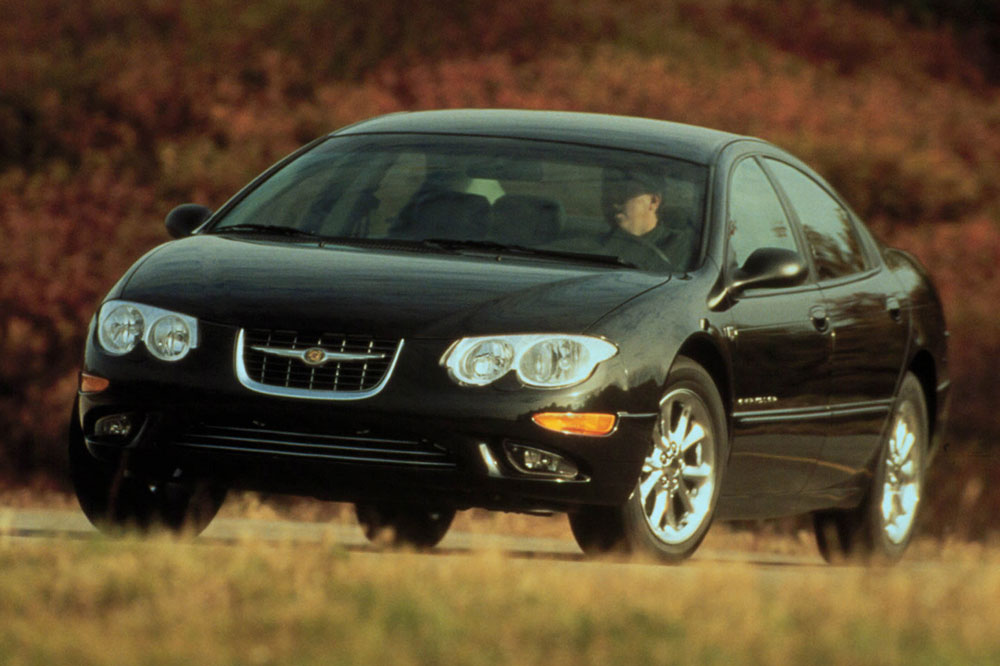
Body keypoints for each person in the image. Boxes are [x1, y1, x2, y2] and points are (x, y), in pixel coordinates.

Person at [599, 169, 683, 269]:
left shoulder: (681, 246)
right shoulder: (593, 244)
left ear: (654, 202)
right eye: (607, 193)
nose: (613, 201)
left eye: (624, 192)